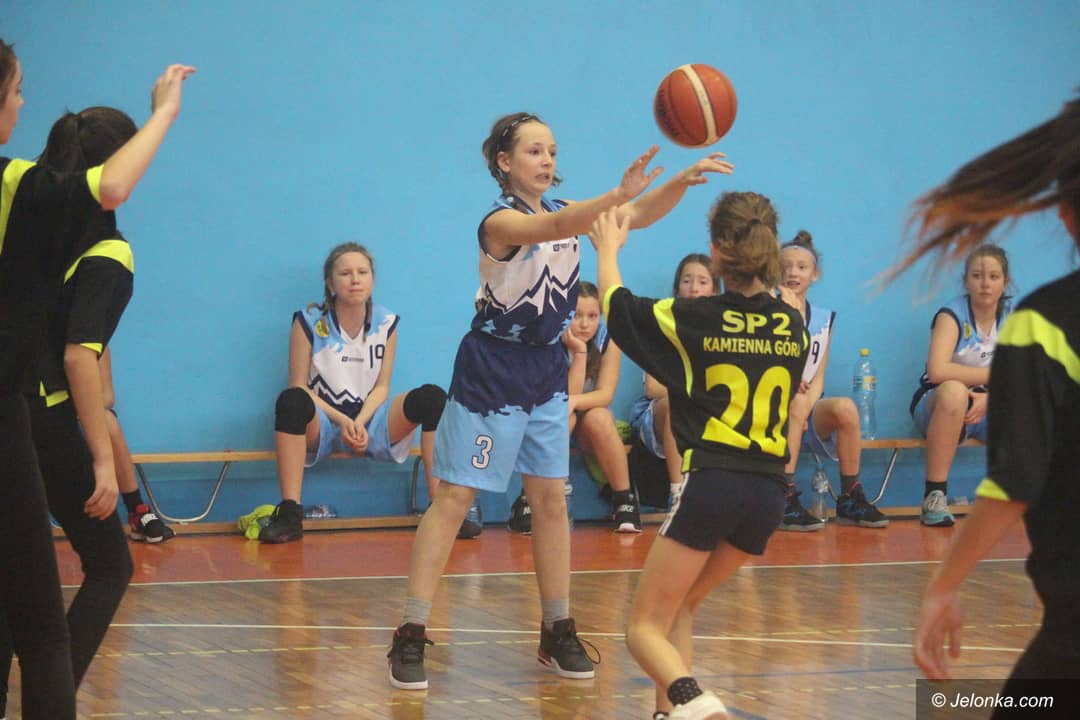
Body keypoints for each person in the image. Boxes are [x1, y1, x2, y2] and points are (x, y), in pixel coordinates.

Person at [386, 111, 733, 691]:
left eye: (551, 150)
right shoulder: (500, 221)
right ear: (504, 162)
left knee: (551, 500)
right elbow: (557, 226)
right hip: (492, 371)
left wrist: (679, 180)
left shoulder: (569, 212)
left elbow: (634, 216)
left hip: (546, 369)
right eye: (533, 151)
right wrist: (615, 196)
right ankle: (411, 630)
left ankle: (556, 627)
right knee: (455, 498)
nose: (547, 159)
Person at [0, 37, 194, 719]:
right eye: (15, 90)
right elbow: (80, 356)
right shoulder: (103, 247)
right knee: (71, 597)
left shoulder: (29, 204)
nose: (22, 101)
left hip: (24, 408)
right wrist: (104, 458)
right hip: (37, 414)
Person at [593, 192, 808, 720]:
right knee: (681, 604)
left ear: (716, 253)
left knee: (642, 628)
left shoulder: (695, 317)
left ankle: (698, 704)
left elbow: (617, 308)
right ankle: (669, 714)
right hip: (770, 492)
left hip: (714, 480)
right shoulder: (793, 325)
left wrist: (608, 249)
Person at [907, 95, 1080, 701]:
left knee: (953, 704)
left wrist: (944, 584)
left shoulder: (1044, 324)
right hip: (951, 402)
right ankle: (935, 491)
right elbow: (939, 374)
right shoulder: (962, 317)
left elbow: (1016, 481)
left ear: (1063, 214)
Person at [259, 242, 448, 543]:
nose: (355, 279)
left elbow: (382, 386)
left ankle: (442, 511)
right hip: (323, 422)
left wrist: (359, 421)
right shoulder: (308, 321)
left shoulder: (386, 322)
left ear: (372, 279)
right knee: (291, 401)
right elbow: (299, 385)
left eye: (362, 272)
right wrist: (344, 421)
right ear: (330, 282)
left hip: (370, 420)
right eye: (345, 273)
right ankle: (290, 514)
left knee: (433, 398)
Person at [508, 280, 642, 534]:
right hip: (546, 418)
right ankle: (529, 497)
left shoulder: (608, 340)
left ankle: (624, 499)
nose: (584, 324)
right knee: (562, 417)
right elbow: (562, 398)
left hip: (584, 420)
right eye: (576, 315)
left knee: (600, 417)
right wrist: (579, 353)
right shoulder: (548, 339)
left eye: (592, 316)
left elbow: (605, 394)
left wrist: (575, 402)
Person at [776, 230, 889, 531]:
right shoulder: (767, 310)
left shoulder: (823, 319)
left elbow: (818, 377)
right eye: (785, 266)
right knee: (795, 403)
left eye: (801, 267)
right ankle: (782, 497)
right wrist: (792, 399)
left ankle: (850, 498)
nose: (793, 272)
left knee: (846, 408)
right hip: (771, 407)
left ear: (814, 274)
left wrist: (803, 407)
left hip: (804, 407)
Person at [909, 244, 1012, 527]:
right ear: (966, 281)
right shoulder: (951, 315)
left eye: (993, 276)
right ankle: (935, 496)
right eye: (977, 276)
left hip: (987, 406)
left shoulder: (1014, 319)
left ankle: (1022, 495)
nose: (985, 284)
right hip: (941, 405)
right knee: (953, 390)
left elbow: (1022, 375)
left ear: (1005, 282)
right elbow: (938, 370)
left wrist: (991, 397)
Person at [628, 253, 719, 509]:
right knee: (677, 405)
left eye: (702, 282)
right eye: (687, 281)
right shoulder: (662, 324)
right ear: (677, 287)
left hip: (704, 409)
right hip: (659, 412)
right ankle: (678, 493)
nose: (694, 288)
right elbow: (653, 388)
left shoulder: (722, 330)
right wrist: (697, 394)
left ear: (714, 290)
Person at [100, 347, 175, 542]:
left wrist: (82, 409)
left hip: (79, 415)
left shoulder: (92, 342)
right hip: (41, 415)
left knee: (107, 420)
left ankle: (137, 510)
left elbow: (107, 398)